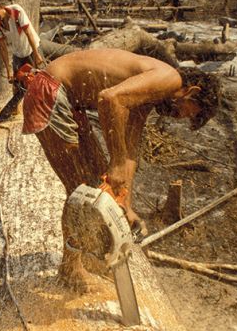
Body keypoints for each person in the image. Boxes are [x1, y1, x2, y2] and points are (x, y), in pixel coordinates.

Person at [19, 48, 220, 292]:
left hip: (69, 101)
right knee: (81, 191)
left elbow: (130, 149)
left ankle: (88, 258)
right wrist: (115, 162)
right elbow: (109, 98)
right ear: (192, 92)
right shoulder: (169, 79)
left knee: (95, 184)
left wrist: (126, 203)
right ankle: (69, 269)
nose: (179, 118)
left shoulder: (150, 95)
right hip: (49, 91)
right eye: (187, 113)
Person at [0, 0, 45, 92]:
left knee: (40, 80)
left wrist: (36, 54)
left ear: (0, 7)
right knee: (17, 85)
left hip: (32, 49)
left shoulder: (16, 10)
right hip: (18, 53)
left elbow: (28, 33)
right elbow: (3, 48)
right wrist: (9, 71)